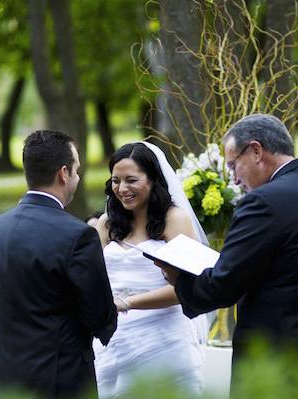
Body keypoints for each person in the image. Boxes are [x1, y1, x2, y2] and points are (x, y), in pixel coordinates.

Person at [160, 114, 298, 371]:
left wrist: (178, 277)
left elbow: (222, 286)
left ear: (256, 151)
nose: (233, 180)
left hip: (279, 365)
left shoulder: (263, 203)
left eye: (233, 166)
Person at [0, 130, 118, 398]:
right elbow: (99, 316)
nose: (77, 177)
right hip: (59, 380)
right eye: (77, 170)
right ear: (63, 173)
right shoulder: (78, 235)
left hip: (2, 379)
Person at [93, 142, 211, 398]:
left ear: (153, 179)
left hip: (165, 337)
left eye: (131, 180)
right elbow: (93, 279)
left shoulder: (174, 219)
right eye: (116, 181)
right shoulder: (106, 223)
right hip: (115, 339)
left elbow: (185, 288)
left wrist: (126, 303)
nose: (122, 189)